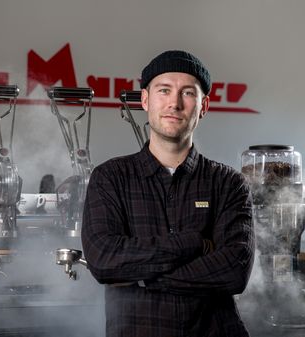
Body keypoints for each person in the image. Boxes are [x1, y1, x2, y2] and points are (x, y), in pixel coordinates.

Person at [81, 50, 255, 337]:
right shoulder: (110, 178)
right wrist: (194, 243)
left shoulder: (229, 183)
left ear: (204, 106)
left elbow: (233, 272)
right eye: (164, 90)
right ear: (145, 100)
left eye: (187, 93)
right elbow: (103, 262)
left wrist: (141, 279)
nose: (174, 103)